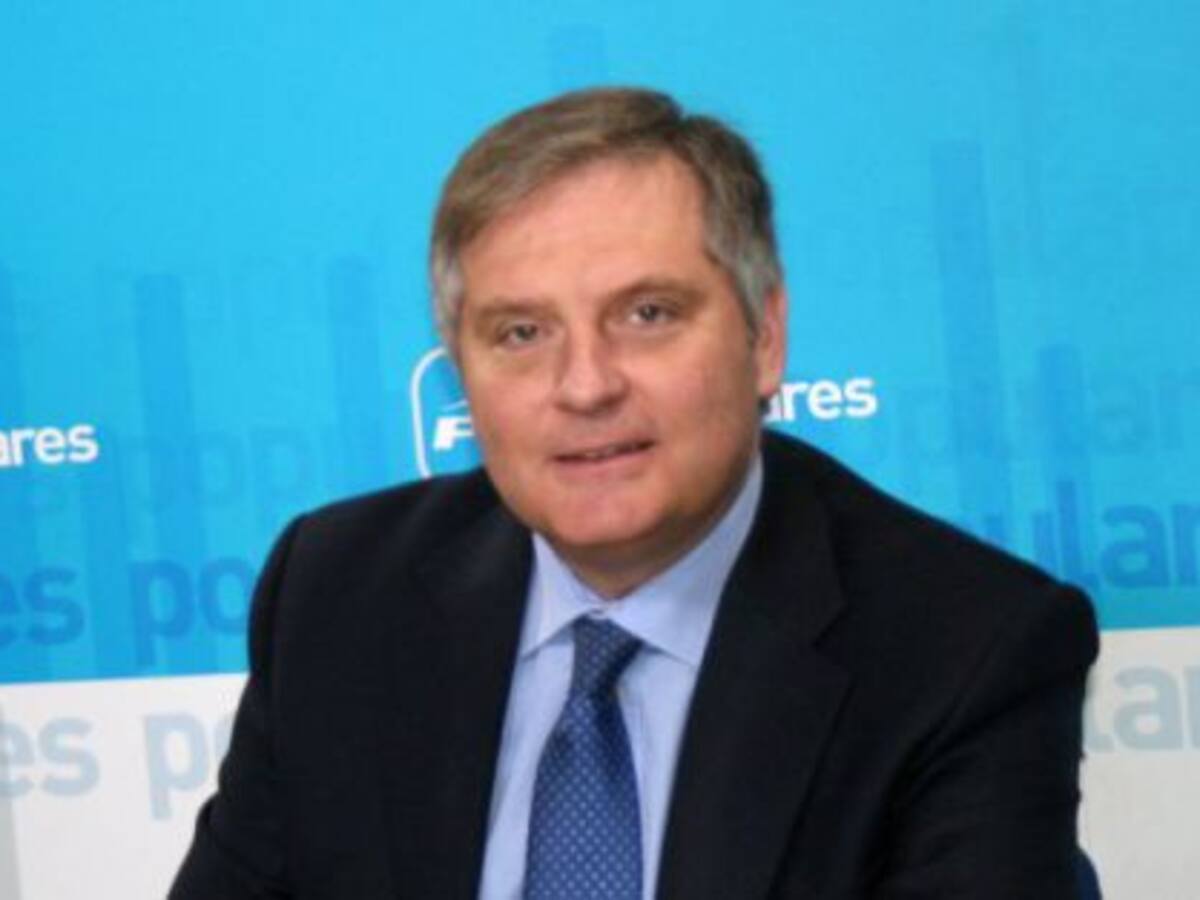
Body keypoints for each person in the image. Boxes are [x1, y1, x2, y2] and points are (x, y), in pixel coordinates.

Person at [170, 87, 1098, 899]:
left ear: (764, 336)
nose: (585, 385)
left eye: (647, 314)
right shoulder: (337, 596)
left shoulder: (964, 649)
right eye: (522, 332)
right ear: (461, 370)